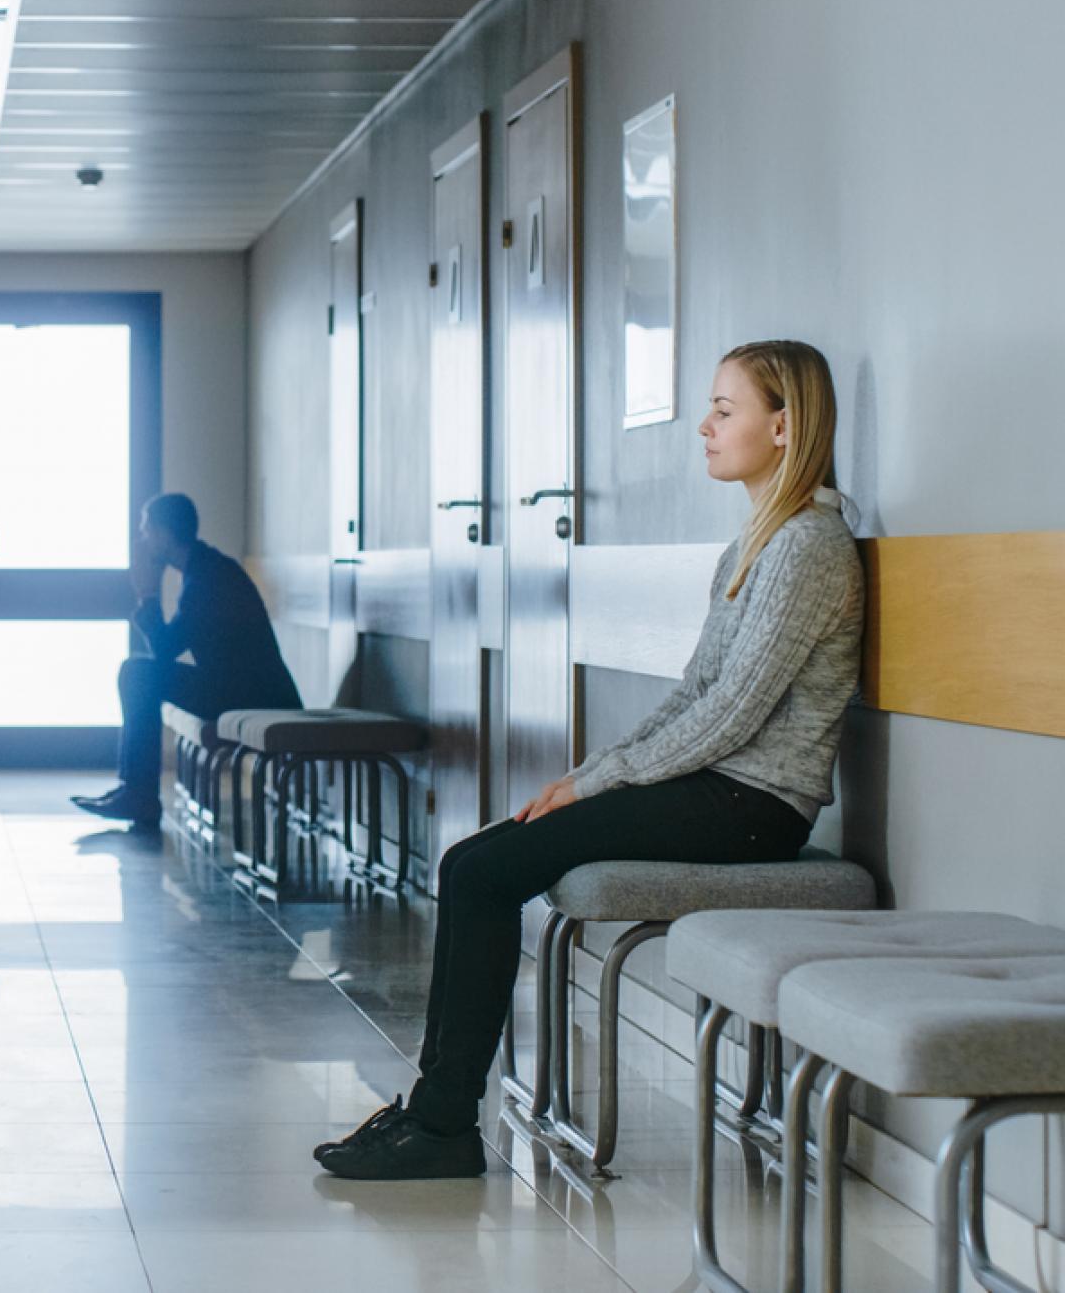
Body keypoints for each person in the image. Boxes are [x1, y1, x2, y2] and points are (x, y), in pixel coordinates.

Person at [316, 339, 865, 1181]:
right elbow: (692, 695)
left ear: (784, 426)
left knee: (482, 871)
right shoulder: (758, 543)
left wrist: (597, 782)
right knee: (472, 860)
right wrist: (587, 775)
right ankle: (435, 1115)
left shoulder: (810, 547)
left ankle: (441, 1125)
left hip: (757, 808)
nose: (705, 428)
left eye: (725, 410)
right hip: (716, 788)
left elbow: (731, 715)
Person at [72, 492, 302, 826]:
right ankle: (134, 791)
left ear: (165, 535)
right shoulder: (204, 570)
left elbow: (168, 651)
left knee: (138, 673)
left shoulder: (210, 578)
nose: (142, 539)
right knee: (139, 671)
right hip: (232, 686)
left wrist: (149, 595)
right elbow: (179, 650)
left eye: (146, 530)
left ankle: (138, 795)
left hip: (252, 695)